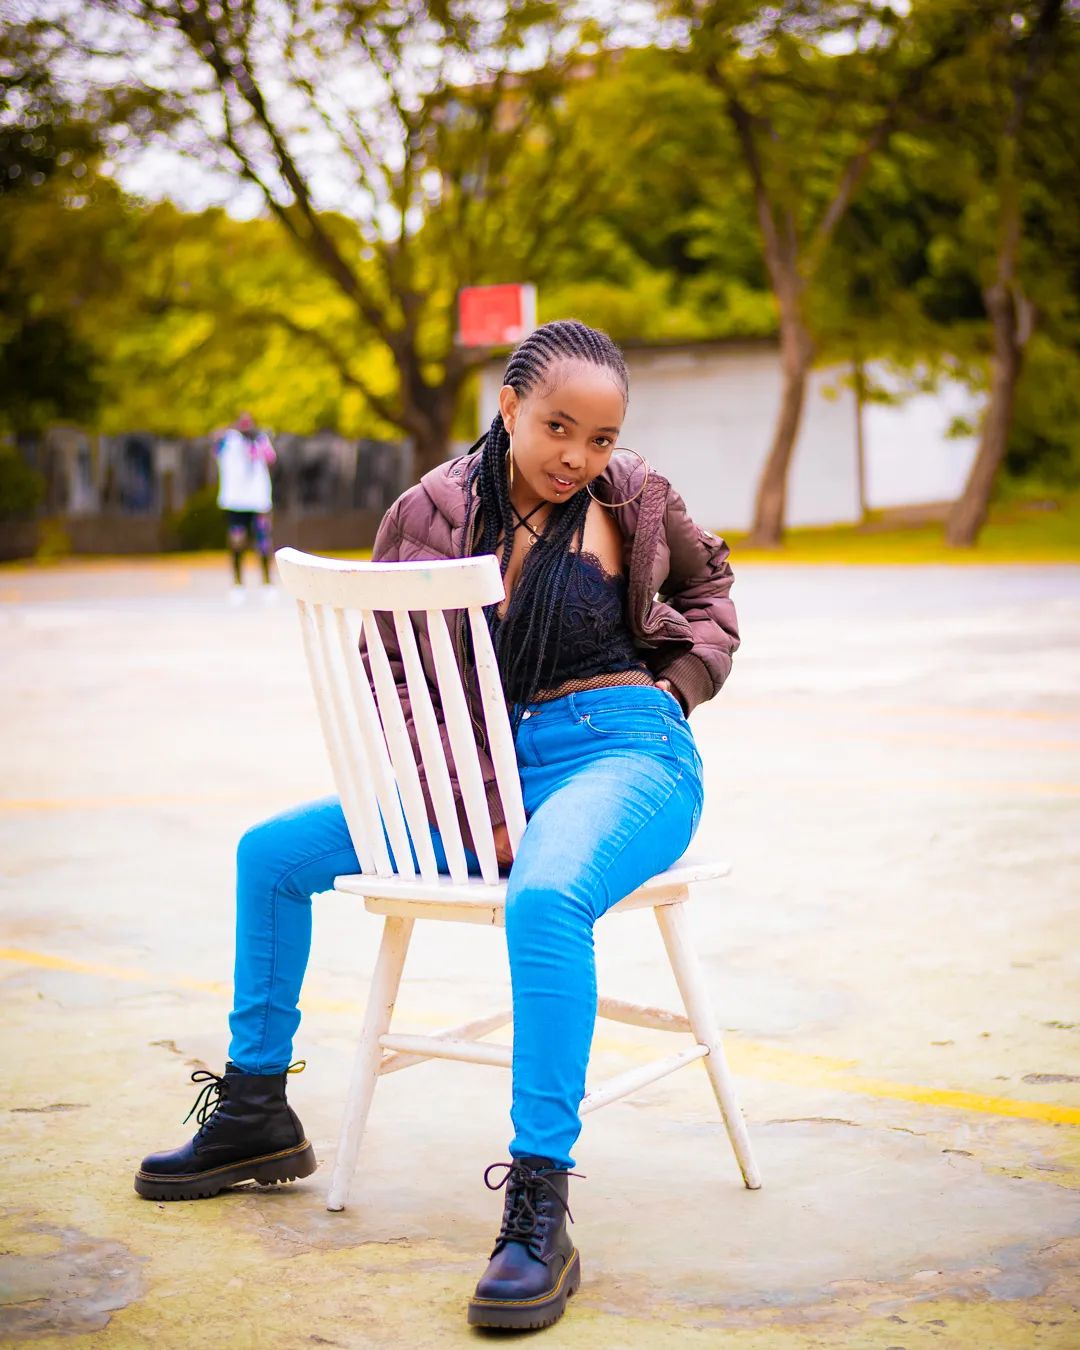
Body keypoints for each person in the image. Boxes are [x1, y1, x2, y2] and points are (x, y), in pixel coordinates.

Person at [135, 321, 739, 1332]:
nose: (578, 456)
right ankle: (256, 1112)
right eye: (558, 427)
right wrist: (477, 796)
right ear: (509, 405)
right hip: (478, 760)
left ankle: (539, 1199)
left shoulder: (633, 495)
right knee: (270, 856)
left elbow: (708, 588)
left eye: (599, 438)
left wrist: (678, 687)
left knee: (545, 898)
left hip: (627, 751)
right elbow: (401, 675)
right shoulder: (432, 511)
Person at [215, 412, 277, 601]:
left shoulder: (260, 439)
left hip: (258, 500)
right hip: (235, 501)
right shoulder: (228, 441)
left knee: (263, 542)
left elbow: (270, 457)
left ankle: (267, 582)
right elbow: (216, 450)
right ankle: (238, 583)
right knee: (237, 541)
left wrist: (259, 441)